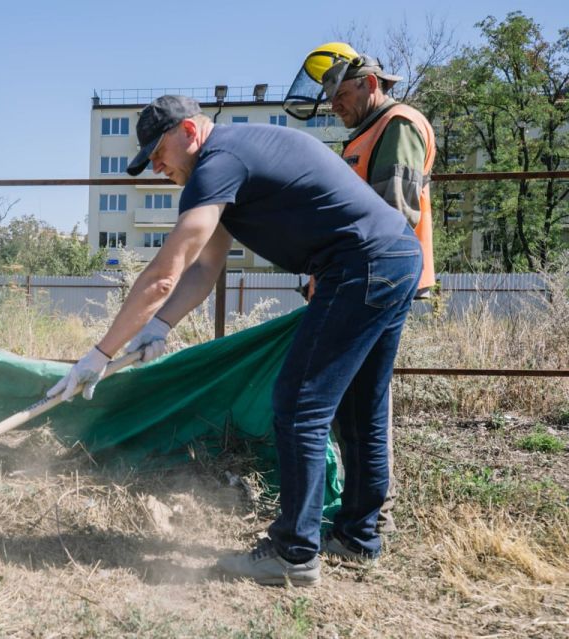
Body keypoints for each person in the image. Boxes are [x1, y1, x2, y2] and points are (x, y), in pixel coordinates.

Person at [48, 95, 421, 586]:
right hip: (394, 257)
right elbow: (204, 268)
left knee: (298, 404)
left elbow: (164, 275)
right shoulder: (231, 161)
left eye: (157, 153)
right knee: (359, 408)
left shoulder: (218, 161)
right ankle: (357, 537)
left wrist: (99, 354)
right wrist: (159, 327)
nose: (156, 167)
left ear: (187, 131)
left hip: (361, 265)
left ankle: (292, 554)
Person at [287, 43, 438, 533]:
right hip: (358, 282)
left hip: (368, 285)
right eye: (330, 99)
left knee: (358, 408)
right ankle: (362, 523)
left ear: (370, 83)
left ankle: (371, 517)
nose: (335, 107)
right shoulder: (370, 132)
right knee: (355, 406)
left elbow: (390, 219)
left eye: (341, 95)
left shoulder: (398, 127)